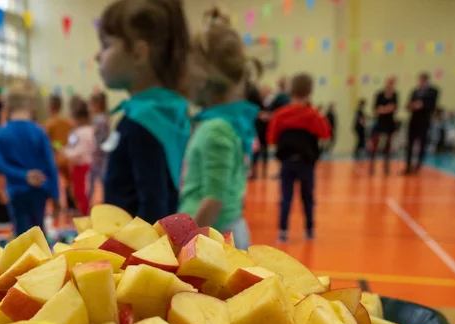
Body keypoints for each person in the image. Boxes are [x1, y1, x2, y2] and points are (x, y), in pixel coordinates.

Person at [97, 0, 192, 223]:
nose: (97, 56)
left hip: (133, 249)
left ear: (139, 53)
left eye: (106, 45)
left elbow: (153, 206)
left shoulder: (143, 122)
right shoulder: (169, 113)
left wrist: (141, 257)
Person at [178, 9, 256, 249]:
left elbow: (214, 200)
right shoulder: (219, 124)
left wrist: (182, 244)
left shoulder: (216, 129)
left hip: (215, 240)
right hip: (216, 235)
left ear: (202, 77)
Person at [267, 73, 331, 243]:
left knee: (285, 197)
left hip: (287, 161)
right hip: (306, 163)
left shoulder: (280, 115)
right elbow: (325, 134)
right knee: (307, 197)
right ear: (310, 91)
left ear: (291, 90)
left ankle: (283, 231)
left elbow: (271, 138)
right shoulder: (313, 115)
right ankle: (309, 230)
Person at [0, 89, 59, 235]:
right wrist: (56, 195)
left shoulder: (1, 133)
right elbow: (51, 165)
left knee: (21, 234)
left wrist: (23, 175)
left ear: (7, 108)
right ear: (30, 107)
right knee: (39, 232)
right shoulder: (39, 132)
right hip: (39, 188)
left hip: (16, 190)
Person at [64, 99, 96, 216]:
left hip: (81, 165)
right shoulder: (92, 130)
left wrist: (65, 152)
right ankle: (84, 212)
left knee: (80, 192)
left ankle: (83, 213)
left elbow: (76, 150)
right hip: (89, 164)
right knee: (86, 192)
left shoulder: (77, 132)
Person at [404, 72, 439, 174]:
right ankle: (408, 165)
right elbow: (408, 104)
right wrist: (411, 105)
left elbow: (432, 105)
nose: (420, 82)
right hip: (414, 120)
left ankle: (418, 166)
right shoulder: (415, 91)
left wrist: (421, 105)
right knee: (410, 143)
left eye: (422, 80)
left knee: (422, 143)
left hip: (424, 121)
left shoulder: (432, 91)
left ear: (426, 80)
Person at [45, 94, 74, 211]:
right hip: (67, 155)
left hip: (54, 157)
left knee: (53, 181)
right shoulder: (69, 122)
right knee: (69, 181)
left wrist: (57, 146)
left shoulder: (49, 124)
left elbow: (49, 142)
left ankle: (56, 204)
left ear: (49, 107)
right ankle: (71, 204)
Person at [369, 77, 398, 175]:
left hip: (390, 123)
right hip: (380, 122)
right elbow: (376, 110)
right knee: (375, 144)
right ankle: (372, 165)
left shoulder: (395, 95)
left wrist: (383, 109)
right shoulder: (379, 95)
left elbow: (393, 108)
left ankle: (386, 166)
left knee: (388, 145)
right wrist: (385, 109)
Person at [89, 91, 111, 204]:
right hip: (101, 153)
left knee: (98, 179)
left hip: (100, 153)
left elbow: (99, 139)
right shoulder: (104, 117)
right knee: (98, 178)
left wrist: (97, 152)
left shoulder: (100, 119)